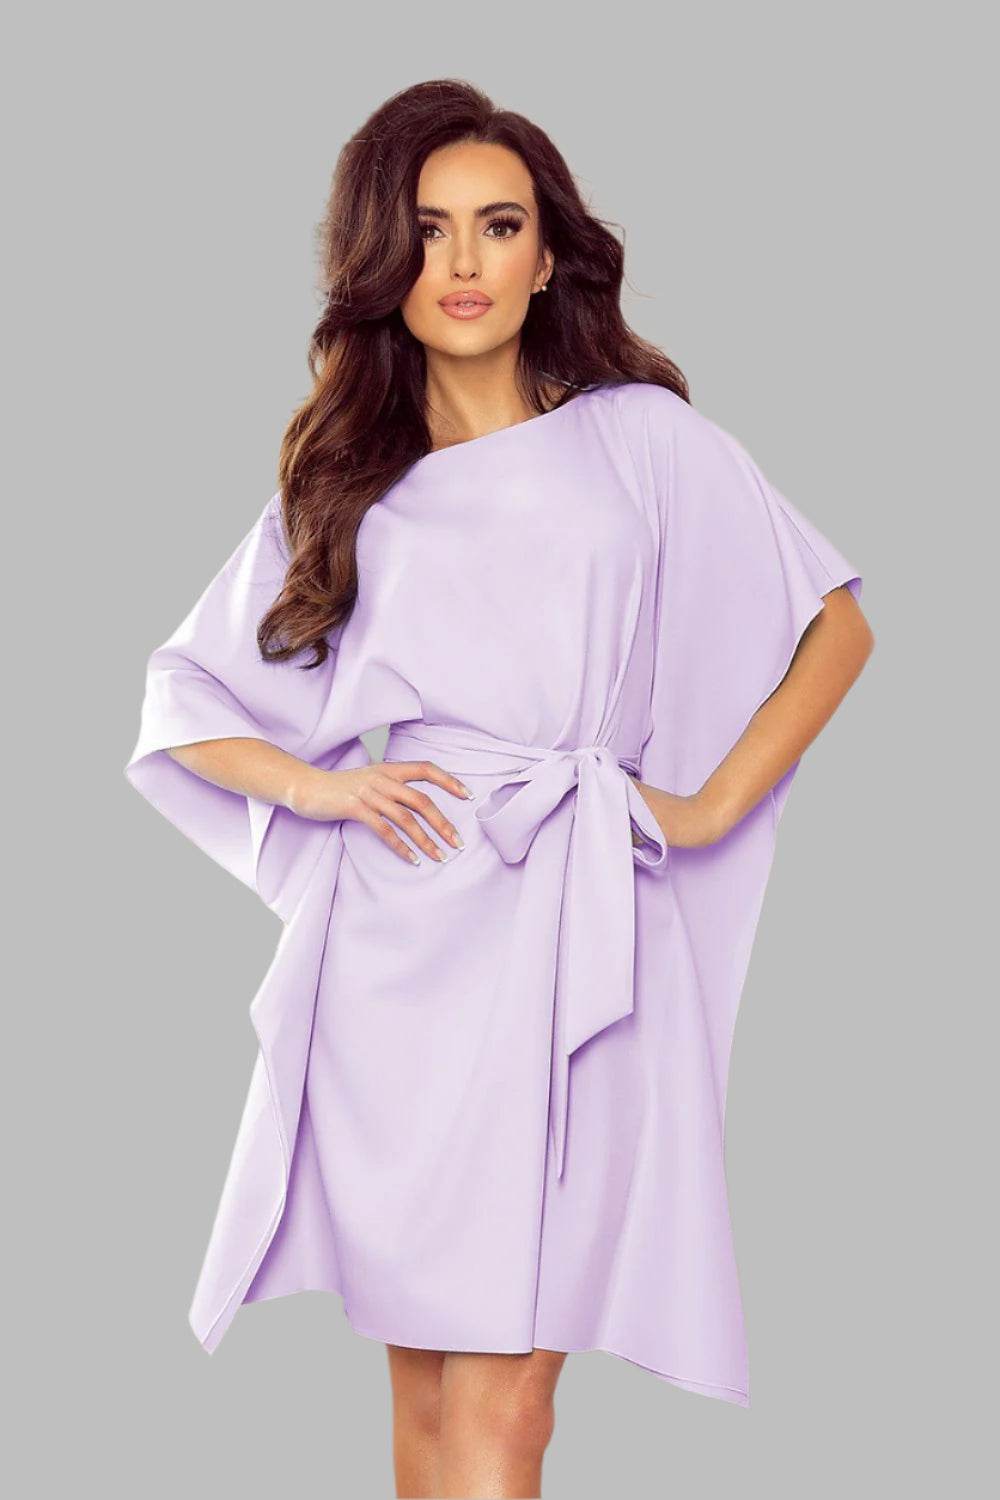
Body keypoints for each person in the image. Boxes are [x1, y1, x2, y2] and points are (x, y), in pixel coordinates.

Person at [124, 79, 874, 1500]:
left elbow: (835, 625)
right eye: (428, 230)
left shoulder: (641, 438)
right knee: (427, 1398)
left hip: (582, 913)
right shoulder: (348, 485)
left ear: (548, 256)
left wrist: (707, 808)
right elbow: (183, 699)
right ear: (381, 260)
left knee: (510, 1404)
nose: (463, 262)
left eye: (499, 225)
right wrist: (322, 793)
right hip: (403, 943)